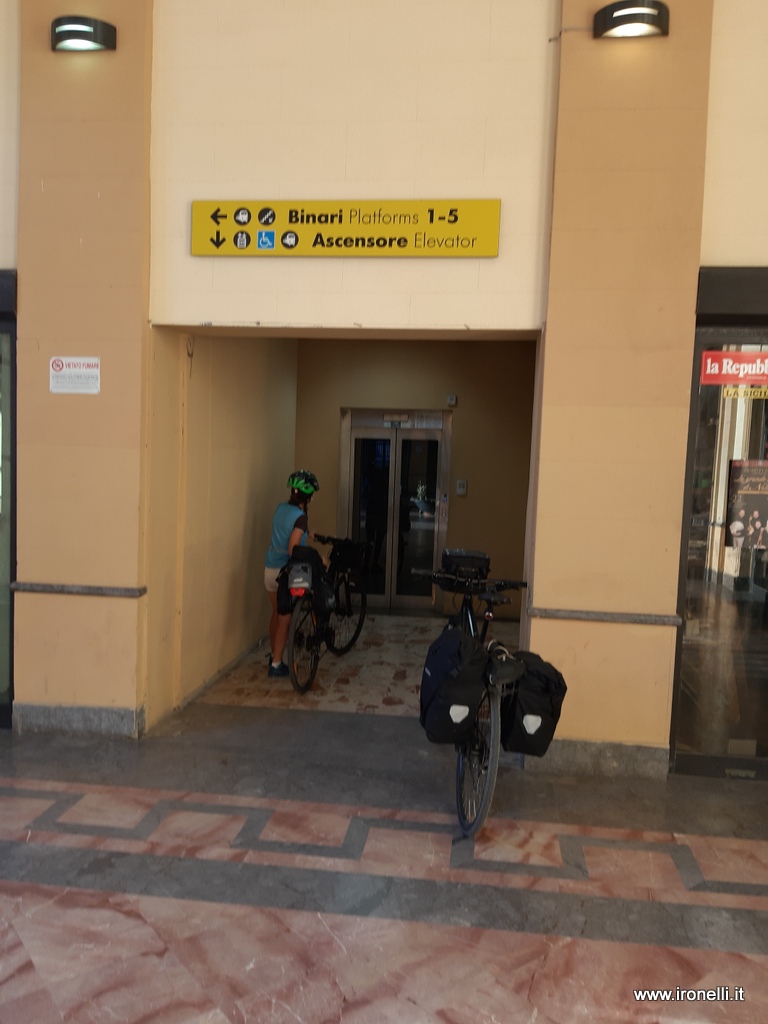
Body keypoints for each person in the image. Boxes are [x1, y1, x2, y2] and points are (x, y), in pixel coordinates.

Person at [264, 470, 319, 677]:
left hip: (269, 569)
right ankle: (277, 665)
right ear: (309, 496)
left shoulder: (281, 509)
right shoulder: (301, 517)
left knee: (276, 613)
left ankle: (273, 654)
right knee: (285, 620)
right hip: (284, 573)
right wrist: (316, 557)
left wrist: (308, 532)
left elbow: (286, 529)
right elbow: (293, 549)